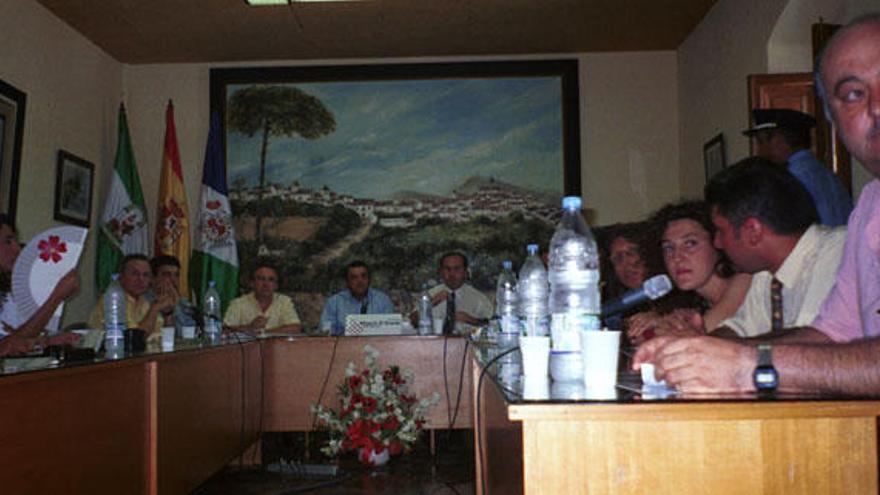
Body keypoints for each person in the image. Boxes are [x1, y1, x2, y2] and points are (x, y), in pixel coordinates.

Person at [633, 14, 880, 395]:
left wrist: (750, 366)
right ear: (834, 120)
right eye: (853, 94)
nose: (877, 106)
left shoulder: (835, 244)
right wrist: (703, 353)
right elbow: (835, 336)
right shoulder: (869, 206)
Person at [627, 201, 752, 344]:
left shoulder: (745, 279)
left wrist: (660, 325)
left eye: (690, 243)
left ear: (717, 243)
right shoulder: (696, 304)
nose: (677, 257)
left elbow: (694, 337)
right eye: (668, 248)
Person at [744, 107, 853, 226]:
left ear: (780, 139)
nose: (760, 151)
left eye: (761, 141)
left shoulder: (791, 179)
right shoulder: (828, 175)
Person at [0, 215, 80, 356]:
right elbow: (8, 347)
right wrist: (56, 297)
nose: (17, 249)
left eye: (15, 240)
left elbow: (20, 339)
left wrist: (48, 342)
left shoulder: (8, 292)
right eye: (8, 242)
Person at [88, 253, 175, 337]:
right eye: (134, 274)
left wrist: (168, 313)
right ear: (121, 277)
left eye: (146, 275)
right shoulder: (113, 300)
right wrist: (155, 308)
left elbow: (165, 337)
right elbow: (135, 338)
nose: (141, 279)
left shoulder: (143, 302)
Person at [320, 260, 395, 336]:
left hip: (377, 346)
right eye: (354, 277)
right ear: (347, 281)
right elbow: (325, 331)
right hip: (344, 346)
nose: (360, 281)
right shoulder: (334, 302)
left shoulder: (383, 300)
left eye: (363, 276)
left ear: (369, 279)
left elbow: (392, 331)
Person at [223, 262, 302, 334]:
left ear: (276, 285)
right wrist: (250, 327)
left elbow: (295, 328)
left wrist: (263, 334)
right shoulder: (238, 304)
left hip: (277, 348)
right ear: (252, 283)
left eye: (271, 280)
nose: (266, 284)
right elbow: (225, 330)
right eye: (261, 279)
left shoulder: (284, 302)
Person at [427, 252, 493, 335]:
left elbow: (493, 326)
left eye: (457, 269)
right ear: (441, 272)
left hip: (468, 345)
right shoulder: (430, 295)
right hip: (432, 345)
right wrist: (430, 304)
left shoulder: (479, 299)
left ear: (466, 272)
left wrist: (472, 320)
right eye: (447, 269)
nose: (452, 274)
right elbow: (411, 322)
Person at [149, 255, 197, 329]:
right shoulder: (144, 300)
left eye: (176, 275)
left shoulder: (184, 303)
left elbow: (190, 333)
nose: (173, 280)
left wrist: (177, 305)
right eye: (167, 275)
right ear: (153, 278)